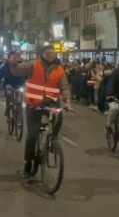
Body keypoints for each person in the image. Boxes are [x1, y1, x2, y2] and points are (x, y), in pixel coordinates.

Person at [10, 46, 72, 178]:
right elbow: (18, 71)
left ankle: (52, 139)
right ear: (42, 54)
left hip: (51, 102)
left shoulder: (59, 69)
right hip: (34, 104)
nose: (50, 55)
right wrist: (14, 63)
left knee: (58, 115)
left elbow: (64, 86)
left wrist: (67, 101)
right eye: (47, 53)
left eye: (52, 53)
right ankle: (28, 164)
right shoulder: (33, 65)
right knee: (32, 135)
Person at [0, 51, 26, 118]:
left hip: (19, 85)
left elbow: (27, 75)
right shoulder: (5, 66)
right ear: (9, 58)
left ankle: (18, 106)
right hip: (9, 84)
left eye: (14, 57)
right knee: (9, 95)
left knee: (20, 94)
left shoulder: (22, 65)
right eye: (11, 57)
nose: (12, 59)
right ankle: (8, 108)